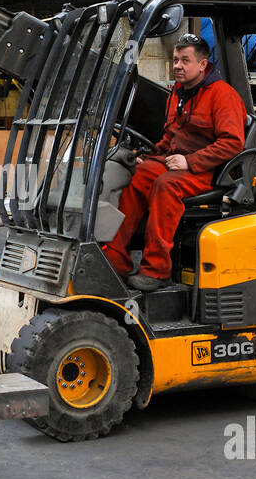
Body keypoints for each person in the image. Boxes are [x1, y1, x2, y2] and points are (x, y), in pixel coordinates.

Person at [103, 34, 247, 292]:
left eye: (185, 61)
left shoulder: (222, 96)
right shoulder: (179, 93)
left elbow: (232, 144)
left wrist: (190, 161)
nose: (177, 66)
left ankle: (157, 270)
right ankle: (116, 256)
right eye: (175, 60)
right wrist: (148, 155)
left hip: (209, 170)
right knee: (139, 175)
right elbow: (171, 134)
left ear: (203, 65)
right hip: (179, 162)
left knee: (165, 185)